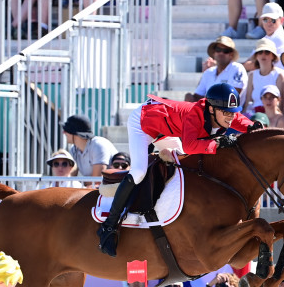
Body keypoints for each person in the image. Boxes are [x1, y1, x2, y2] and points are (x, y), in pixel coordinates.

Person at [99, 83, 255, 256]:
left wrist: (253, 126)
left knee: (183, 163)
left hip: (166, 130)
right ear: (211, 110)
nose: (231, 117)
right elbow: (190, 146)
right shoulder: (194, 115)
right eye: (226, 112)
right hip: (143, 124)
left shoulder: (220, 113)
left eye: (232, 112)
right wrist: (217, 143)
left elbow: (240, 120)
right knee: (138, 172)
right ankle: (109, 226)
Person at [187, 36, 247, 102]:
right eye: (218, 49)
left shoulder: (237, 68)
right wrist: (190, 98)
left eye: (225, 51)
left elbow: (232, 97)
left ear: (231, 55)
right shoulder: (208, 72)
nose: (221, 53)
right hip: (209, 109)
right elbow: (198, 96)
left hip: (230, 111)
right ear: (213, 52)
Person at [241, 38, 284, 115]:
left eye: (267, 52)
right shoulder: (251, 75)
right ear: (256, 56)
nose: (263, 55)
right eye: (260, 52)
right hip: (253, 116)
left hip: (272, 116)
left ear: (273, 56)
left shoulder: (280, 75)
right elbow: (248, 102)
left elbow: (281, 103)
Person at [61, 113, 114, 178]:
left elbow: (97, 181)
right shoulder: (73, 149)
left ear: (76, 134)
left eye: (66, 130)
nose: (63, 132)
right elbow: (70, 178)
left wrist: (79, 183)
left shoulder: (98, 145)